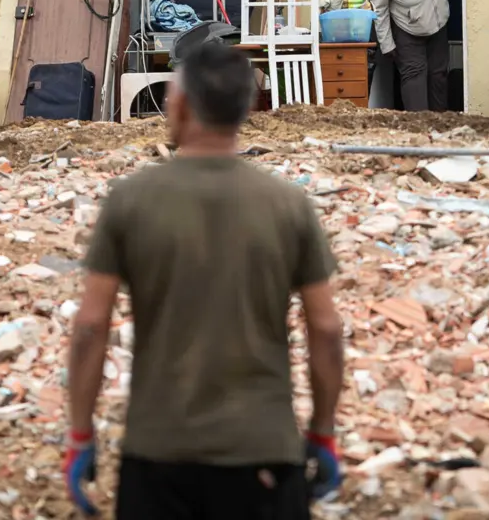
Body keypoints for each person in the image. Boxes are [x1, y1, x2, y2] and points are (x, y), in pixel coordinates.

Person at [63, 42, 345, 519]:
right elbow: (326, 328)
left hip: (159, 453)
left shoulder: (131, 201)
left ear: (179, 104)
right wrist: (322, 431)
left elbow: (91, 326)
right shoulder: (287, 204)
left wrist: (80, 435)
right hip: (264, 452)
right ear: (247, 109)